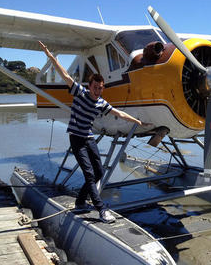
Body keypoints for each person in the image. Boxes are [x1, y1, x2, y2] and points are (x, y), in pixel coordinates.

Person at [38, 41, 147, 223]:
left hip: (88, 138)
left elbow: (118, 113)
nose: (98, 90)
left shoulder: (101, 103)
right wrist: (51, 57)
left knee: (98, 173)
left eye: (101, 87)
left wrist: (137, 121)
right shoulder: (79, 92)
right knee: (89, 174)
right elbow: (65, 75)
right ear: (90, 86)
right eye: (95, 87)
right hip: (76, 138)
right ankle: (101, 209)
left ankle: (80, 201)